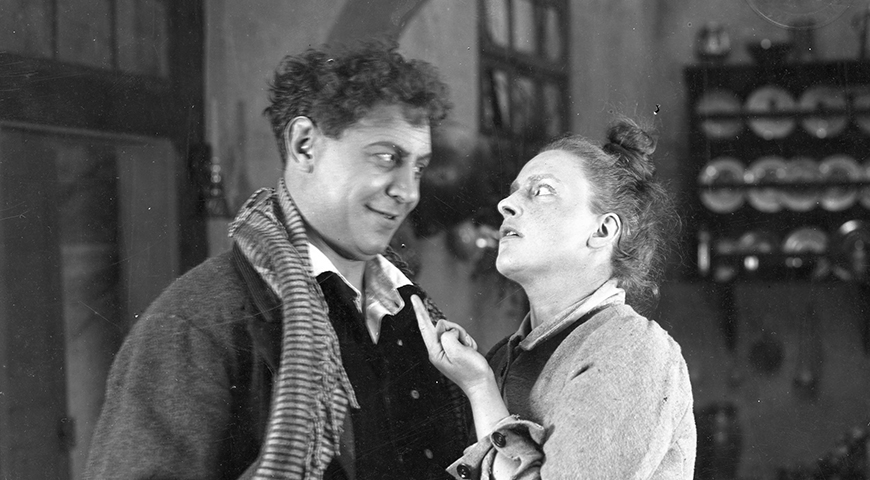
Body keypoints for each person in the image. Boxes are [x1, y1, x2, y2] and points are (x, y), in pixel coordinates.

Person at [85, 41, 471, 480]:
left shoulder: (413, 312)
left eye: (418, 167)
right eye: (387, 158)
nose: (409, 192)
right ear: (305, 145)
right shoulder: (195, 322)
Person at [412, 118, 696, 479]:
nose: (505, 204)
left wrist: (479, 387)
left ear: (603, 230)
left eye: (542, 191)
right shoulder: (502, 358)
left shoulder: (633, 348)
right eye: (514, 191)